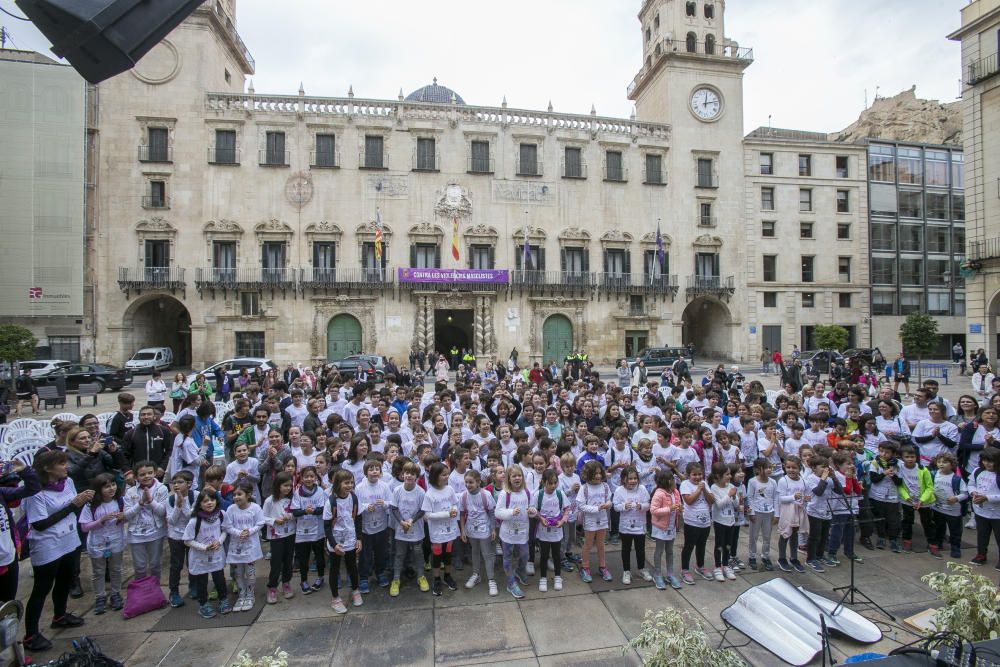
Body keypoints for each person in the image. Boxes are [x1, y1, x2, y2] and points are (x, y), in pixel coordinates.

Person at [23, 450, 93, 651]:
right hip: (48, 543)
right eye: (61, 464)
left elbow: (74, 505)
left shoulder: (68, 482)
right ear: (47, 468)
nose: (66, 467)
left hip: (69, 538)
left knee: (65, 578)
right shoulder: (36, 492)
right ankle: (31, 634)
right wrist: (73, 505)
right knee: (42, 588)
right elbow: (40, 524)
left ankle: (60, 615)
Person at [79, 473, 126, 615]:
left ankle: (115, 593)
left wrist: (123, 518)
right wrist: (101, 521)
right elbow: (84, 527)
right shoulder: (91, 505)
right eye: (107, 487)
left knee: (116, 569)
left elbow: (127, 518)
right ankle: (100, 596)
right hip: (97, 542)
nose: (111, 489)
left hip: (116, 540)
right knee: (98, 571)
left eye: (113, 485)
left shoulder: (120, 501)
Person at [183, 487, 230, 618]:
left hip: (216, 555)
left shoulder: (221, 515)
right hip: (200, 558)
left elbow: (225, 530)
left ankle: (223, 599)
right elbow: (187, 540)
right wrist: (204, 547)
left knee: (219, 578)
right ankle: (203, 604)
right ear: (199, 504)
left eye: (212, 499)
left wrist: (219, 542)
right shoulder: (194, 521)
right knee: (202, 582)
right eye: (205, 501)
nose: (209, 503)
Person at [0, 459, 40, 603]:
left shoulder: (1, 493)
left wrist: (24, 471)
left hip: (8, 558)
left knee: (8, 605)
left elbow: (32, 488)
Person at [124, 460, 169, 582]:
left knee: (155, 565)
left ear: (155, 473)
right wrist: (140, 503)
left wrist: (150, 500)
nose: (146, 476)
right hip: (136, 534)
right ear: (136, 477)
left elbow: (162, 512)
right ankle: (142, 593)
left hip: (156, 533)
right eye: (142, 475)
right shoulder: (130, 492)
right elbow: (127, 515)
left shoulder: (162, 489)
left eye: (150, 473)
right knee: (139, 567)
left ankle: (155, 591)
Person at [389, 461, 429, 596]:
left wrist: (412, 520)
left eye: (412, 474)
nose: (409, 476)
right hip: (401, 528)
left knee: (418, 553)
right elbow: (393, 508)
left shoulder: (420, 492)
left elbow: (422, 509)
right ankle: (396, 579)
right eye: (406, 473)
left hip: (416, 529)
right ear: (402, 474)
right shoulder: (397, 490)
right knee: (399, 554)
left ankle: (421, 576)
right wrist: (401, 521)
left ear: (417, 476)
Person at [223, 481, 264, 612]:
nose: (236, 497)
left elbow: (260, 523)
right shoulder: (231, 509)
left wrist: (249, 531)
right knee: (238, 572)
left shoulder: (255, 508)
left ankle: (250, 594)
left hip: (250, 546)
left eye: (239, 494)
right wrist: (238, 532)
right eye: (234, 495)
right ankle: (242, 594)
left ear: (248, 495)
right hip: (236, 546)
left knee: (250, 571)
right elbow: (227, 526)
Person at [495, 464, 534, 599]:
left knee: (524, 555)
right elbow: (498, 512)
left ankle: (519, 571)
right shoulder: (505, 494)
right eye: (514, 476)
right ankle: (510, 583)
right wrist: (511, 512)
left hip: (523, 531)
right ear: (508, 478)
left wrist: (532, 511)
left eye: (519, 475)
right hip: (507, 533)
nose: (517, 478)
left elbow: (532, 509)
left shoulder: (527, 492)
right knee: (508, 557)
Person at [422, 462, 460, 596]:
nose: (447, 477)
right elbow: (426, 516)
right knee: (437, 556)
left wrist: (454, 510)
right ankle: (437, 578)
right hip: (437, 532)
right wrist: (446, 514)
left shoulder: (449, 489)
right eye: (444, 475)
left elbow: (455, 503)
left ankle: (448, 575)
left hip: (450, 529)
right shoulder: (429, 494)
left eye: (447, 474)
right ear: (435, 476)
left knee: (448, 554)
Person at [459, 469, 497, 595]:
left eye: (471, 482)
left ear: (478, 482)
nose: (468, 485)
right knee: (474, 551)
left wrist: (492, 529)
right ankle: (476, 574)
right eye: (466, 482)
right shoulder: (463, 496)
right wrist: (463, 531)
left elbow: (492, 512)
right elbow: (462, 514)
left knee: (487, 554)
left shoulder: (485, 494)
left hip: (484, 529)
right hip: (471, 529)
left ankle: (491, 579)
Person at [356, 460, 391, 593]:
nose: (375, 471)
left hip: (381, 526)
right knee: (365, 554)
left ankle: (380, 573)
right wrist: (366, 507)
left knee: (381, 551)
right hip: (366, 528)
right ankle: (364, 577)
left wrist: (384, 503)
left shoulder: (384, 486)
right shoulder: (360, 487)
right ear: (366, 473)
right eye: (371, 469)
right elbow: (357, 505)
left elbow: (391, 502)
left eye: (377, 469)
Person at [290, 466, 326, 595]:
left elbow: (322, 509)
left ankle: (320, 577)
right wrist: (305, 511)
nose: (309, 479)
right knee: (303, 559)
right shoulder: (297, 492)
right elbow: (294, 512)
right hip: (302, 532)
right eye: (306, 476)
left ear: (316, 477)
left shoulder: (320, 491)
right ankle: (303, 580)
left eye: (312, 476)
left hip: (318, 531)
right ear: (302, 478)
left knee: (319, 556)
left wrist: (313, 511)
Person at [613, 466, 651, 585]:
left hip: (640, 524)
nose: (633, 481)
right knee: (626, 549)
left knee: (640, 549)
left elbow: (648, 504)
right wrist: (624, 506)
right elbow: (615, 506)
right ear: (624, 479)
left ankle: (641, 569)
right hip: (625, 526)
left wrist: (642, 506)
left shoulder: (642, 489)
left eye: (635, 478)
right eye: (630, 478)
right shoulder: (619, 490)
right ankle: (626, 571)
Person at [263, 472, 296, 604]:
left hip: (290, 533)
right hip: (276, 535)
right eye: (284, 485)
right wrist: (274, 520)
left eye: (289, 485)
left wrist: (290, 516)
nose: (287, 488)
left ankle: (286, 582)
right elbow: (262, 517)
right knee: (276, 562)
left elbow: (297, 513)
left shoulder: (293, 499)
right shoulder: (270, 500)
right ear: (277, 486)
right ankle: (272, 587)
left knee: (288, 560)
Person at [679, 462, 713, 584]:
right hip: (691, 521)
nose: (698, 477)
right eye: (694, 474)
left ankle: (700, 566)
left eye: (700, 474)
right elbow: (689, 501)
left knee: (702, 545)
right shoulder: (685, 484)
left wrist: (705, 490)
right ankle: (685, 569)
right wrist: (699, 490)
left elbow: (711, 500)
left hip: (705, 521)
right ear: (688, 475)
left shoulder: (704, 484)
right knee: (689, 545)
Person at [166, 470, 195, 608]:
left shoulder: (196, 496)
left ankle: (194, 586)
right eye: (174, 482)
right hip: (176, 537)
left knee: (193, 562)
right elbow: (171, 521)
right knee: (176, 565)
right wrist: (178, 505)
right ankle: (174, 592)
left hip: (191, 535)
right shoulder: (170, 499)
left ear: (189, 484)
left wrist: (183, 503)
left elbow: (191, 516)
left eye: (180, 482)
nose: (176, 485)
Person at [929, 453, 967, 559]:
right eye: (939, 462)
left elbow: (965, 493)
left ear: (952, 464)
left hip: (953, 511)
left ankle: (955, 548)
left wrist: (956, 498)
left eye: (945, 462)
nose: (941, 464)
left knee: (955, 531)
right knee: (938, 528)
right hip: (937, 508)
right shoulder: (933, 474)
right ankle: (938, 543)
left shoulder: (956, 479)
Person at [968, 447, 1000, 567]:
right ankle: (981, 554)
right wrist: (973, 492)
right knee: (982, 534)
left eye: (991, 461)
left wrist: (987, 497)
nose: (987, 463)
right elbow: (971, 484)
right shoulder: (977, 471)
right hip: (981, 511)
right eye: (985, 460)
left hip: (997, 514)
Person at [776, 456, 808, 573]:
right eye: (788, 467)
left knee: (794, 534)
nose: (791, 470)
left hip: (798, 511)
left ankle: (794, 558)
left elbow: (805, 495)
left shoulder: (803, 480)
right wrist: (793, 497)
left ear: (799, 468)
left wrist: (806, 498)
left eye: (794, 467)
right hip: (787, 512)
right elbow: (780, 499)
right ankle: (781, 558)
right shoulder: (783, 481)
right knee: (785, 534)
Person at [746, 458, 778, 571]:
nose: (769, 470)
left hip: (769, 513)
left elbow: (775, 498)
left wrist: (776, 514)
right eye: (765, 467)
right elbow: (750, 497)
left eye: (770, 467)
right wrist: (752, 512)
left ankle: (765, 556)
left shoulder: (773, 482)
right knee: (753, 536)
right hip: (757, 513)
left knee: (767, 536)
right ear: (757, 469)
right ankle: (752, 556)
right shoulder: (752, 481)